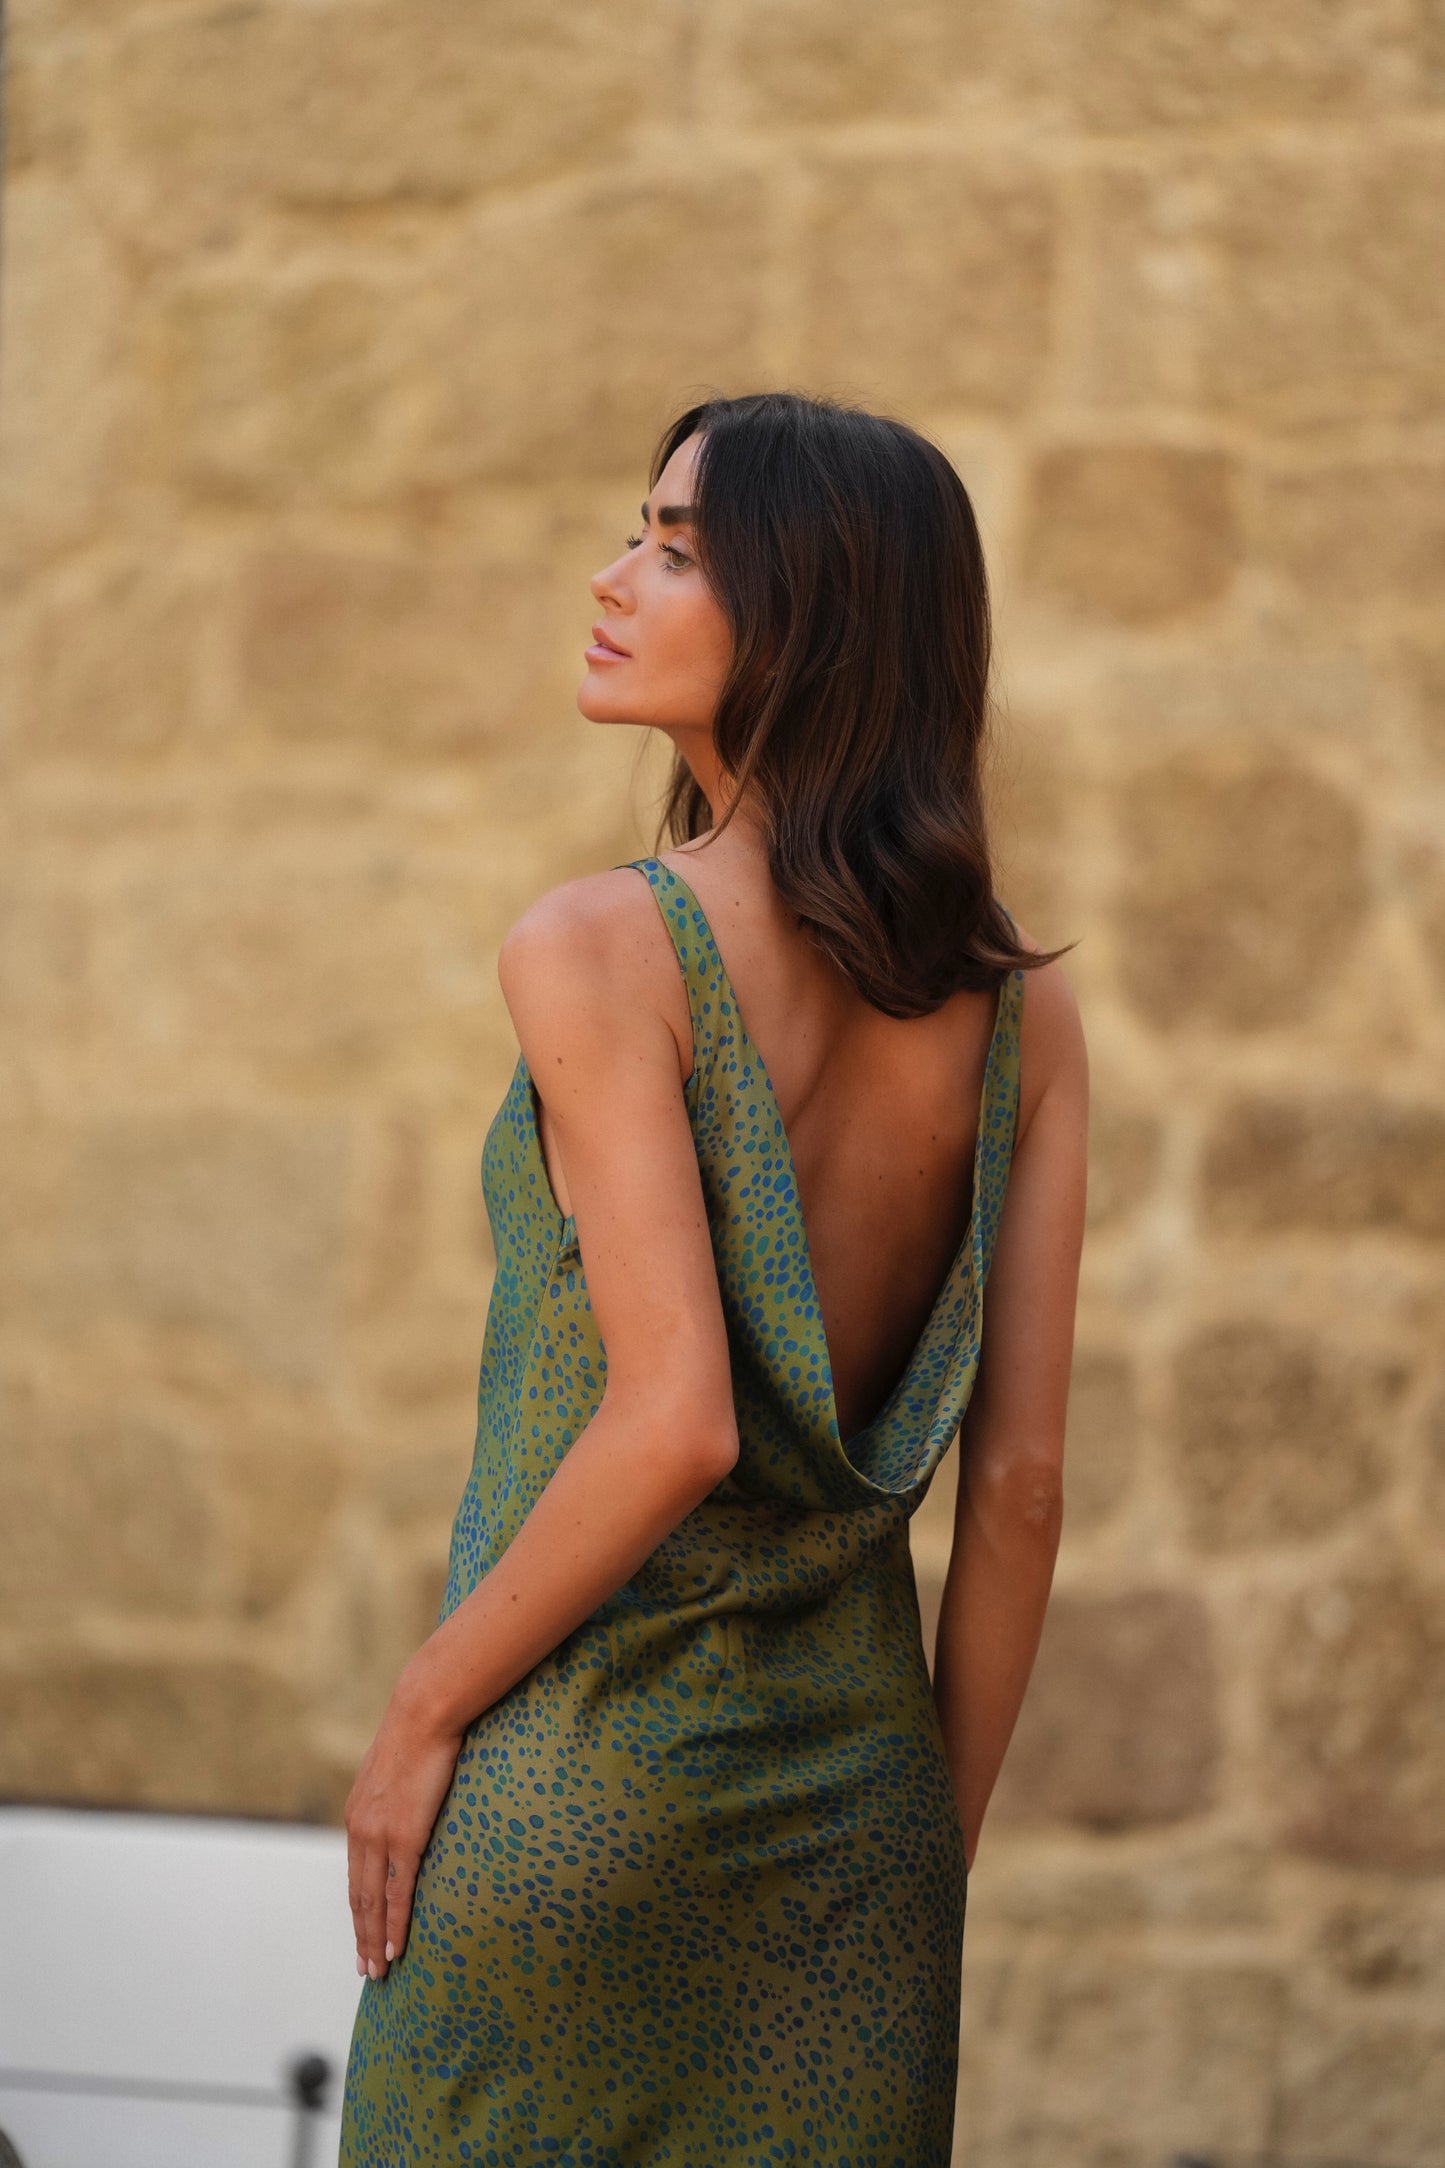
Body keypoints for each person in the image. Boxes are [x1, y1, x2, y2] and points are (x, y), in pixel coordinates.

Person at [337, 390, 1088, 2163]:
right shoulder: (1027, 1014)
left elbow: (673, 1421)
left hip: (573, 1790)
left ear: (809, 618)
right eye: (636, 537)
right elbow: (1023, 1487)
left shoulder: (601, 944)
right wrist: (921, 1849)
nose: (612, 580)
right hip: (857, 1830)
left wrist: (419, 1711)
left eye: (674, 554)